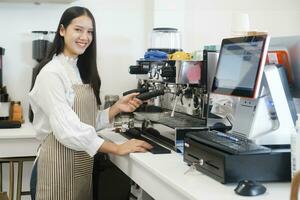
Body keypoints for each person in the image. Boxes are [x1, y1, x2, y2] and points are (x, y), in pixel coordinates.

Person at [28, 6, 152, 200]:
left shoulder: (80, 71)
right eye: (78, 29)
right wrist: (117, 148)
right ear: (62, 30)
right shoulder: (51, 74)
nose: (85, 37)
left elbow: (85, 122)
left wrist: (116, 108)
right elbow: (68, 130)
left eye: (90, 32)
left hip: (80, 169)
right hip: (55, 171)